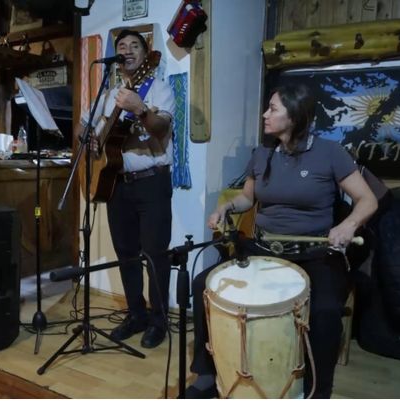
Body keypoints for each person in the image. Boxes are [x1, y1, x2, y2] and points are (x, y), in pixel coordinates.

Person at [185, 84, 379, 400]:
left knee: (326, 311)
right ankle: (207, 372)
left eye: (273, 108)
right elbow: (248, 198)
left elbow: (368, 200)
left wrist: (348, 225)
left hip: (316, 251)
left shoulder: (330, 152)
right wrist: (225, 207)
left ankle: (319, 391)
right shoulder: (261, 154)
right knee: (202, 284)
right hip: (264, 248)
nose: (265, 114)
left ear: (295, 116)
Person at [76, 29, 177, 349]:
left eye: (135, 45)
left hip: (152, 183)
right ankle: (136, 315)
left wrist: (141, 109)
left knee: (155, 255)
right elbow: (81, 125)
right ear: (117, 58)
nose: (128, 50)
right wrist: (87, 138)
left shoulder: (159, 89)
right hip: (116, 184)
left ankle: (159, 321)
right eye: (122, 46)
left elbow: (161, 128)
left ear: (146, 56)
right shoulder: (107, 95)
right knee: (126, 255)